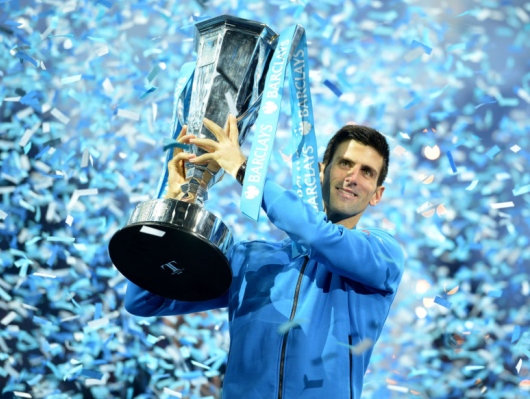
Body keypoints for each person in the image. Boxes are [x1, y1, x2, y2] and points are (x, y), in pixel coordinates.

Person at [125, 114, 405, 399]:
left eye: (367, 172)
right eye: (345, 163)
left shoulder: (383, 255)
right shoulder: (251, 259)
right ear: (321, 171)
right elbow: (145, 300)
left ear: (377, 194)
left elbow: (316, 236)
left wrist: (246, 171)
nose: (353, 178)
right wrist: (172, 205)